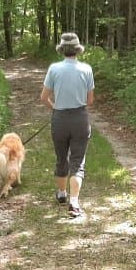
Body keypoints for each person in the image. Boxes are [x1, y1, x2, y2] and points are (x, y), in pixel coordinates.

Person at [40, 32, 95, 218]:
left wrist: (56, 108)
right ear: (78, 50)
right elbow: (90, 100)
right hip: (80, 118)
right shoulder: (86, 69)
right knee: (77, 162)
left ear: (62, 49)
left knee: (61, 157)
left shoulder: (54, 69)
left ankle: (62, 194)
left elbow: (44, 98)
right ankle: (74, 202)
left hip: (59, 119)